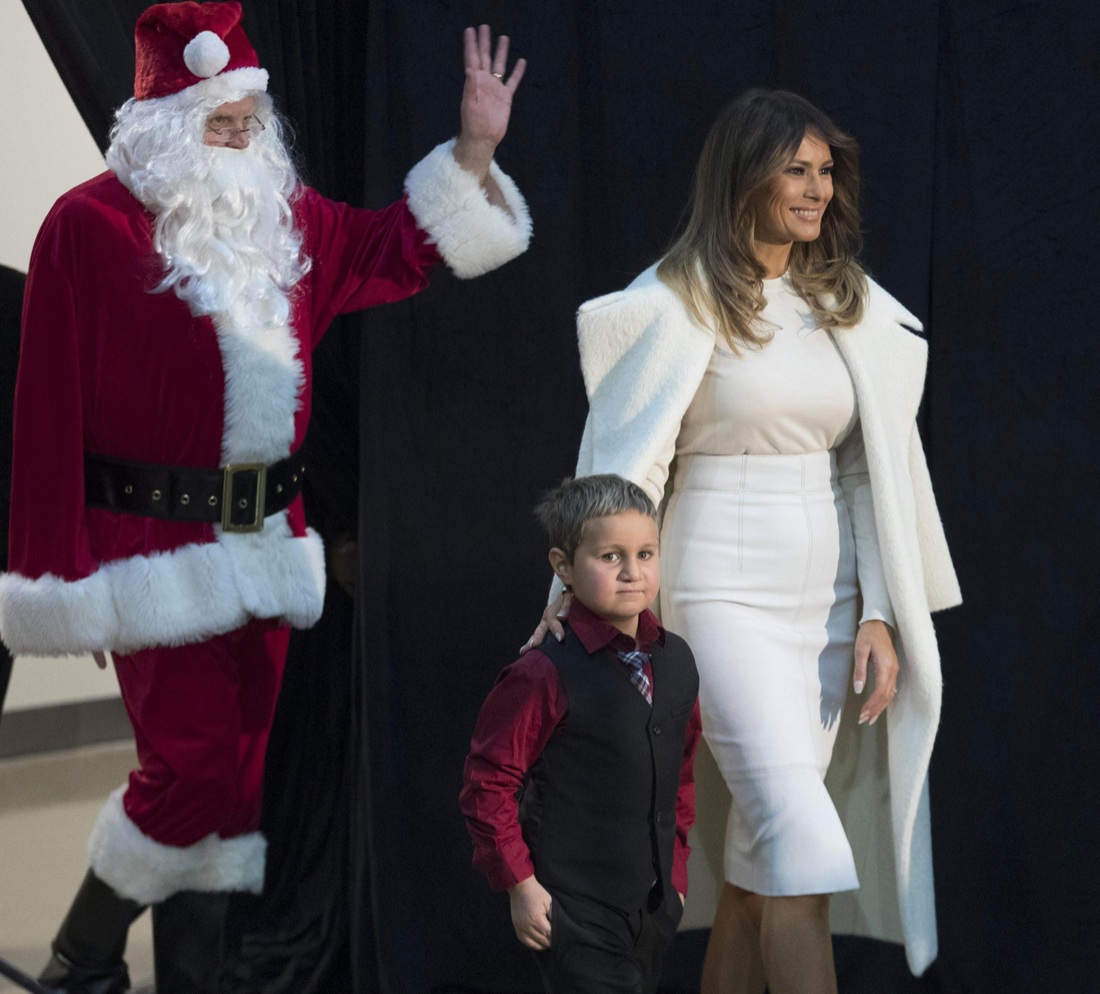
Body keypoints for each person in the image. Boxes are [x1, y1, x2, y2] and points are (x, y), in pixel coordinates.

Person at [0, 3, 531, 992]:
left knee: (234, 789)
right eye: (221, 123)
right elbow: (44, 411)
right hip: (151, 555)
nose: (244, 140)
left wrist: (473, 151)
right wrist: (58, 576)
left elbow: (391, 249)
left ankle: (193, 976)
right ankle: (81, 956)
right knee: (189, 774)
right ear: (166, 126)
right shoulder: (87, 226)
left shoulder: (287, 220)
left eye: (251, 120)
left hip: (267, 544)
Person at [526, 90, 962, 994]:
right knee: (800, 848)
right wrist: (580, 594)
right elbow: (630, 466)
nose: (816, 189)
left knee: (762, 867)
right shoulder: (675, 301)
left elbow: (868, 470)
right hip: (718, 586)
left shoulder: (842, 302)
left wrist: (881, 611)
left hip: (829, 601)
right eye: (794, 169)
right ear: (742, 178)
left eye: (825, 170)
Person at [461, 474, 702, 994]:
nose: (632, 572)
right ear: (563, 565)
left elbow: (681, 774)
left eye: (645, 554)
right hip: (573, 912)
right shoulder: (543, 673)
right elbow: (488, 783)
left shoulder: (678, 661)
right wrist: (520, 884)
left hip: (652, 914)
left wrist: (677, 876)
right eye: (611, 557)